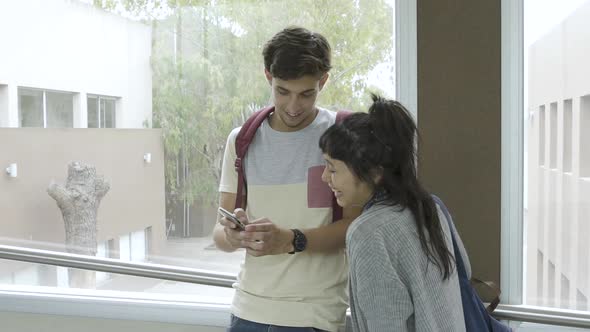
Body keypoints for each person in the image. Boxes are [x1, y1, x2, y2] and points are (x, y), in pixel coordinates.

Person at [213, 26, 361, 332]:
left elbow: (355, 227)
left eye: (307, 94)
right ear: (268, 76)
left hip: (313, 316)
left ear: (323, 81)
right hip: (247, 311)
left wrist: (291, 240)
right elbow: (218, 234)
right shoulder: (241, 142)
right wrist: (233, 236)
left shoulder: (342, 137)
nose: (293, 107)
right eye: (283, 91)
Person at [319, 94, 470, 331]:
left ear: (374, 172)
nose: (325, 177)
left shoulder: (368, 232)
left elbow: (386, 323)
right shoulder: (428, 206)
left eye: (333, 168)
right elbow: (463, 273)